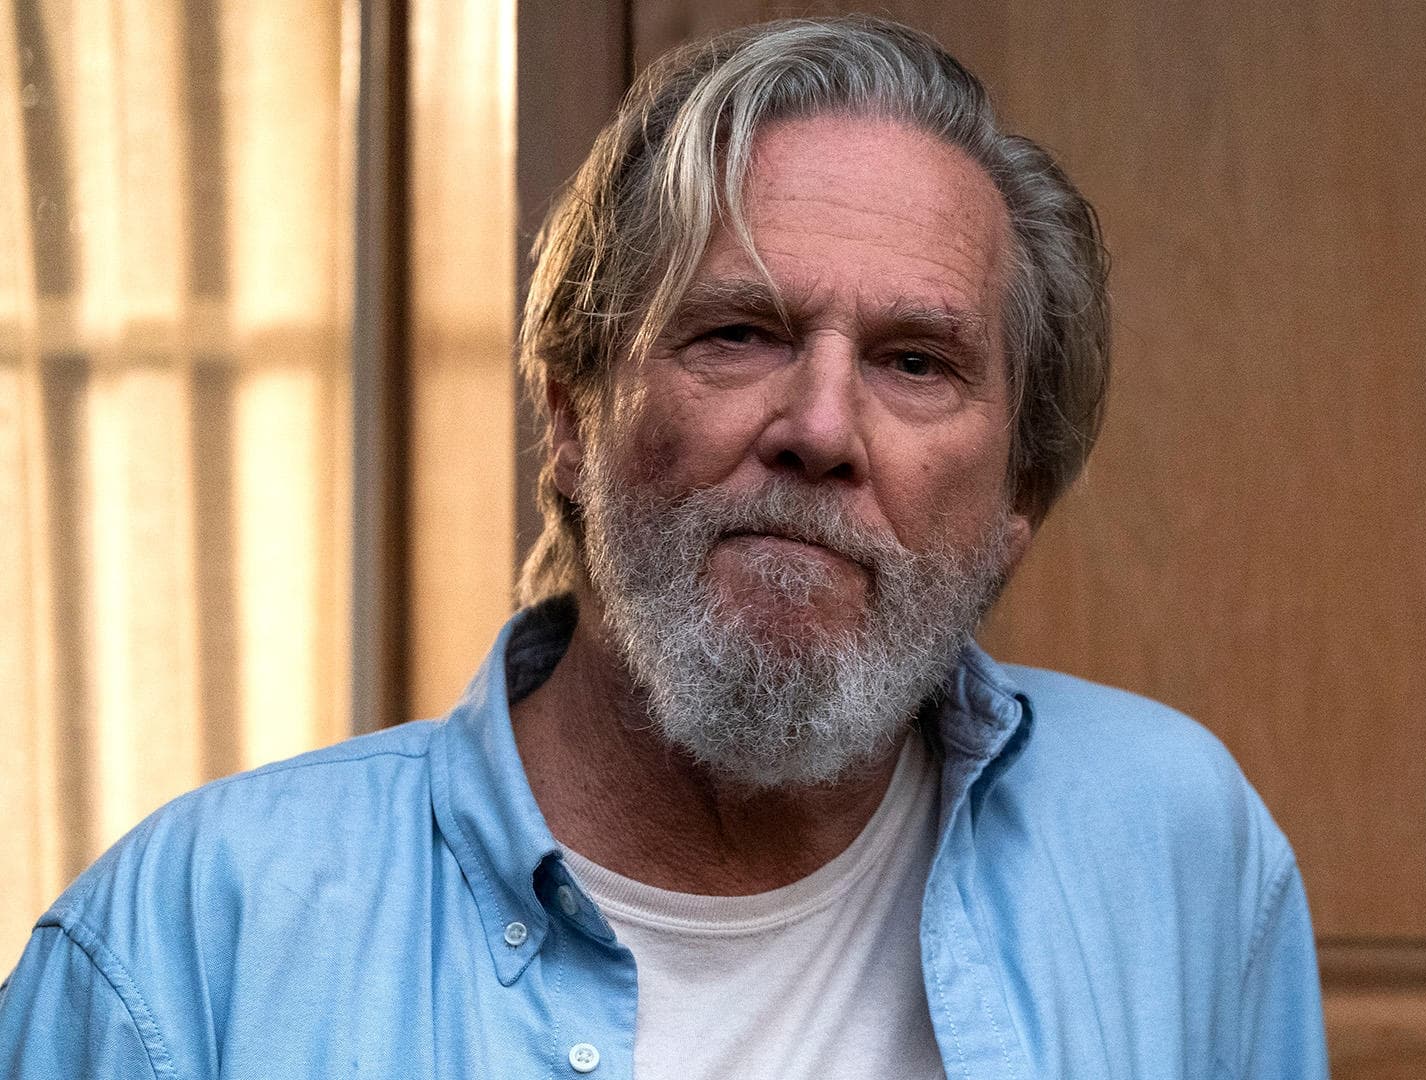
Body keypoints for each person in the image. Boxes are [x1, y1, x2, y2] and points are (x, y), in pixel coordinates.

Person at [0, 16, 1326, 1078]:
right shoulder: (192, 949)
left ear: (1016, 499)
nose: (820, 428)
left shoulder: (1175, 853)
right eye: (738, 333)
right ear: (572, 418)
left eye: (915, 362)